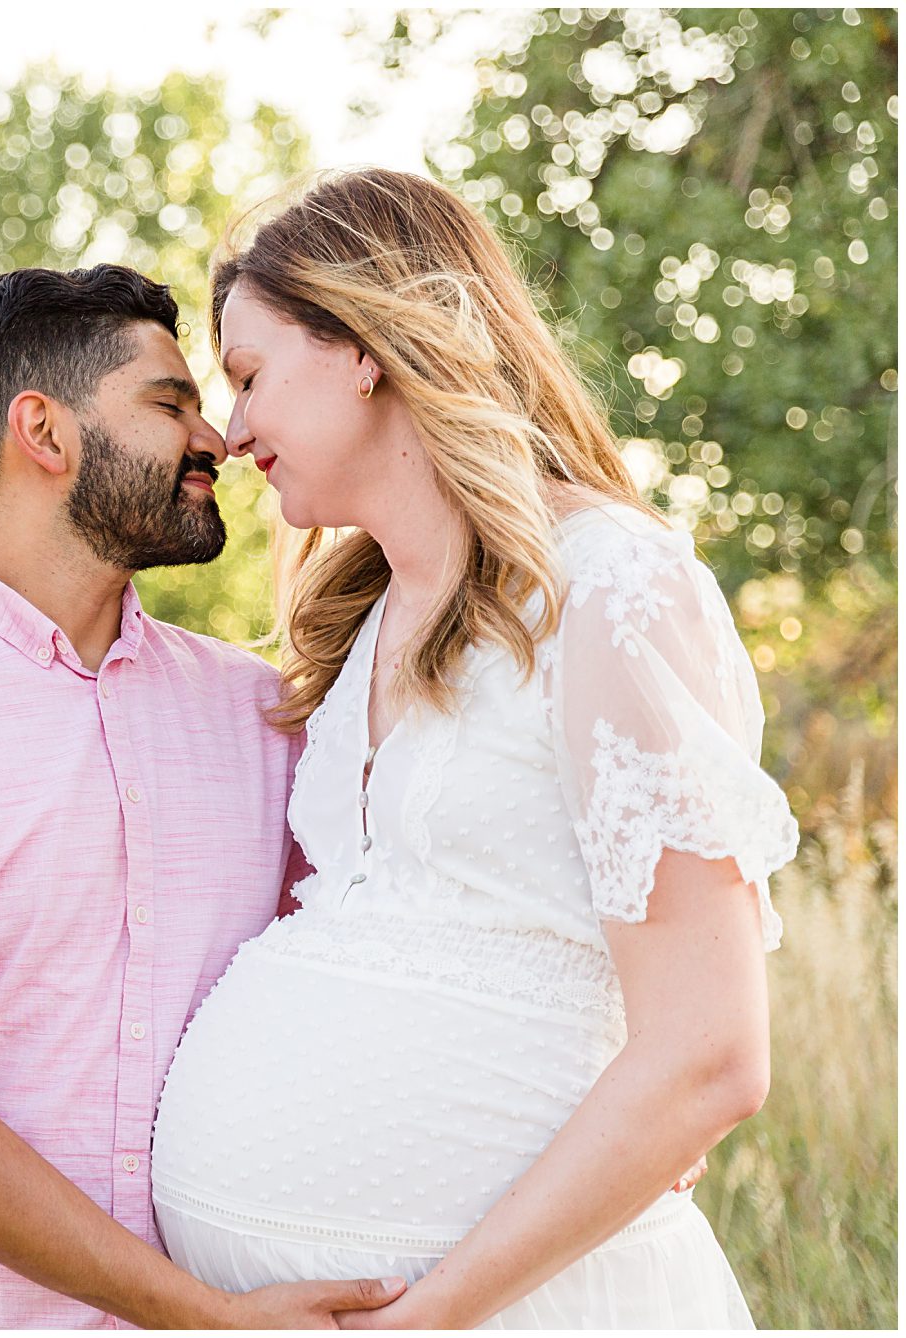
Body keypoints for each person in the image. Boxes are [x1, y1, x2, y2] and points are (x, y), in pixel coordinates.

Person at [149, 167, 800, 1327]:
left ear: (363, 345)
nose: (232, 428)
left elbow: (708, 1052)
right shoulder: (362, 623)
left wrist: (427, 1316)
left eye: (248, 376)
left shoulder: (607, 587)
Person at [0, 264, 408, 1327]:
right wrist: (191, 1313)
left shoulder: (259, 714)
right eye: (169, 403)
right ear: (43, 433)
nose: (219, 439)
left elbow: (361, 978)